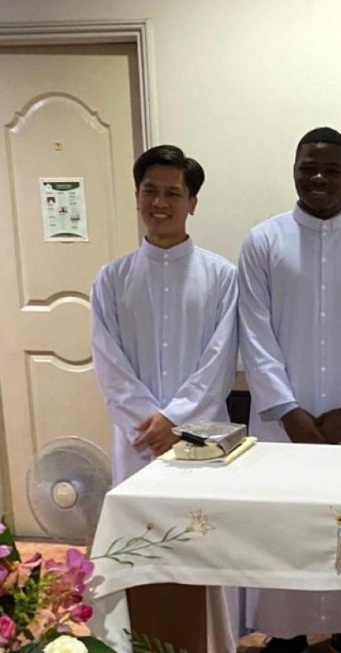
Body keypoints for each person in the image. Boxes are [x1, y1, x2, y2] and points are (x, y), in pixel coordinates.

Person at [238, 127, 341, 653]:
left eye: (331, 170)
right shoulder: (262, 242)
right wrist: (286, 410)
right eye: (309, 167)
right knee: (286, 524)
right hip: (281, 423)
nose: (319, 178)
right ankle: (284, 632)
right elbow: (254, 330)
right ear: (294, 170)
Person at [91, 144, 238, 485]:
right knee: (142, 517)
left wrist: (176, 421)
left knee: (204, 514)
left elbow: (219, 363)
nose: (159, 202)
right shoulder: (112, 280)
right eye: (150, 191)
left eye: (173, 193)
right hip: (140, 439)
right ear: (137, 196)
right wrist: (150, 424)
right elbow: (109, 365)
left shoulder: (222, 277)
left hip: (203, 436)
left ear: (192, 203)